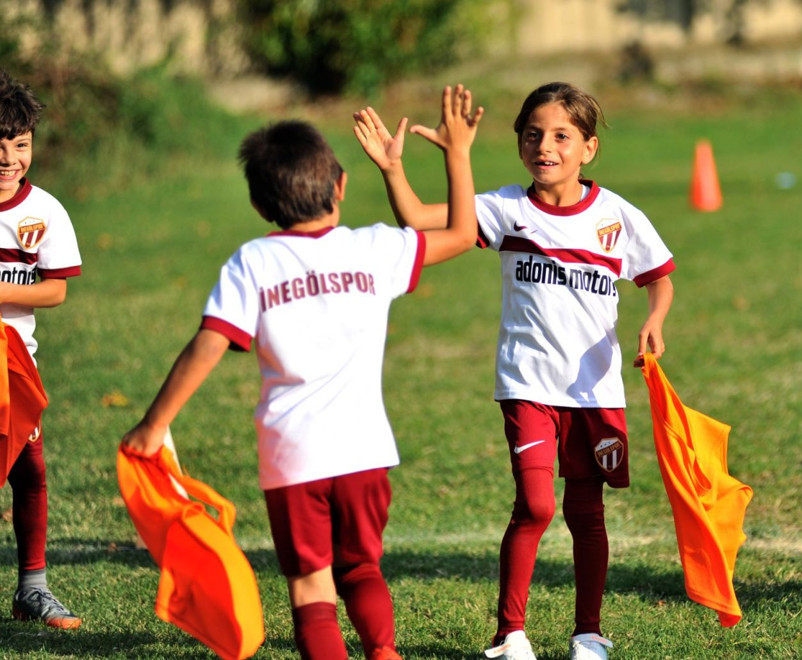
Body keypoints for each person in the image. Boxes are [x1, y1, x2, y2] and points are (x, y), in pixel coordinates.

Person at [120, 84, 483, 660]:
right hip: (366, 450)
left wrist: (153, 425)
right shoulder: (375, 248)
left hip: (293, 458)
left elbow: (210, 343)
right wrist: (455, 153)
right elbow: (465, 233)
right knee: (361, 567)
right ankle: (384, 653)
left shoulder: (253, 262)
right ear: (340, 186)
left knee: (312, 585)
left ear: (261, 208)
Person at [357, 82, 675, 660]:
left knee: (586, 512)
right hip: (527, 384)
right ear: (518, 143)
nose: (544, 146)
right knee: (535, 505)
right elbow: (417, 219)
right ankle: (510, 635)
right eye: (532, 134)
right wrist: (393, 170)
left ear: (589, 148)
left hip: (595, 389)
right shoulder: (505, 208)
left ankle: (589, 634)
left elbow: (658, 275)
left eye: (561, 136)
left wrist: (655, 318)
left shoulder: (616, 216)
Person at [0, 69, 83, 629]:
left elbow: (55, 288)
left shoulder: (45, 212)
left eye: (21, 144)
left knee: (30, 470)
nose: (9, 158)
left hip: (16, 366)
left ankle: (33, 588)